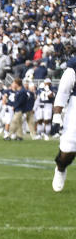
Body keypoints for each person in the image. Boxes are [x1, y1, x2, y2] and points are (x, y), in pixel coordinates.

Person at [51, 57, 75, 192]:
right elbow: (63, 90)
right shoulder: (73, 67)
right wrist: (57, 113)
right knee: (68, 148)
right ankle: (61, 168)